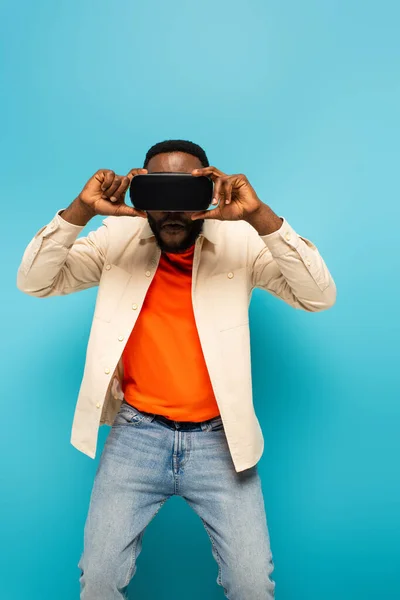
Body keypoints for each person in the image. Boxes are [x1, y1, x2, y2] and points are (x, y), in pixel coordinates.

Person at [17, 139, 336, 599]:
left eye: (184, 195)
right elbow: (35, 280)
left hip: (221, 442)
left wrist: (259, 216)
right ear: (140, 193)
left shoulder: (242, 241)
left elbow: (318, 295)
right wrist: (81, 211)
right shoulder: (114, 239)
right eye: (158, 195)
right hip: (136, 436)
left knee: (251, 582)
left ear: (209, 192)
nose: (172, 211)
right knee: (99, 579)